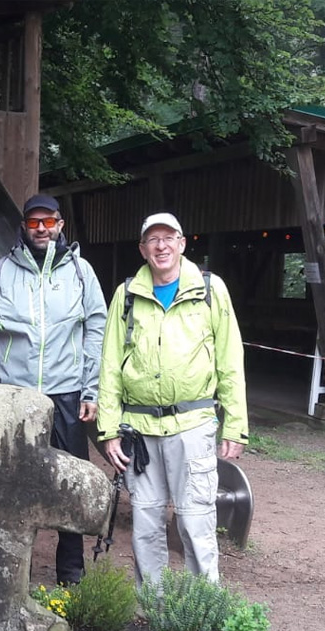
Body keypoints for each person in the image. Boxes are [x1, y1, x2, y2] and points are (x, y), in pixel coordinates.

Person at [96, 212, 248, 588]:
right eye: (153, 240)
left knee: (195, 520)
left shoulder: (211, 289)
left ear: (182, 243)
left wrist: (236, 424)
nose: (161, 246)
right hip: (140, 429)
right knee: (146, 523)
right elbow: (111, 364)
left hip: (193, 424)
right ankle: (154, 610)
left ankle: (202, 610)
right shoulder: (127, 294)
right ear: (143, 249)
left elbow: (231, 360)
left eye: (168, 238)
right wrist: (109, 429)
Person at [0, 193, 108, 585]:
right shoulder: (0, 273)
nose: (42, 228)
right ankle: (14, 572)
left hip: (66, 395)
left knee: (71, 484)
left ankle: (71, 574)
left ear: (61, 225)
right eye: (34, 222)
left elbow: (97, 328)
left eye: (49, 221)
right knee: (10, 484)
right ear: (24, 227)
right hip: (15, 397)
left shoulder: (81, 272)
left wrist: (90, 389)